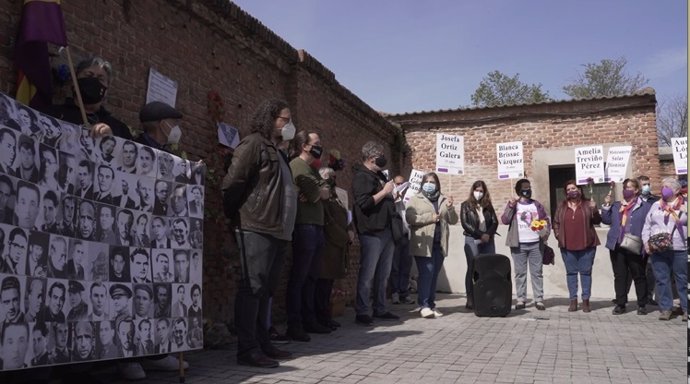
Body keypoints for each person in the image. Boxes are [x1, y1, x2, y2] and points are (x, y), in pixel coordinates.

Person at [221, 98, 297, 368]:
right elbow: (233, 182)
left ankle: (262, 342)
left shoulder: (277, 150)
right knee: (252, 287)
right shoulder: (253, 143)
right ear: (270, 118)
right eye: (284, 120)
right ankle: (247, 349)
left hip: (277, 231)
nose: (289, 125)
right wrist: (238, 216)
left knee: (265, 290)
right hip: (256, 226)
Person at [351, 141, 398, 325]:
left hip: (387, 230)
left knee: (383, 274)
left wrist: (392, 194)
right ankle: (362, 310)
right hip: (371, 231)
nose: (383, 157)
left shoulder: (380, 175)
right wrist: (384, 192)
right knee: (368, 274)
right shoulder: (362, 176)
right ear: (371, 157)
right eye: (380, 154)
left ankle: (380, 307)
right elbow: (364, 203)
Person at [405, 172, 457, 318]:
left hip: (439, 244)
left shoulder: (443, 199)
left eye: (432, 182)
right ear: (422, 183)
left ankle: (432, 304)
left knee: (434, 275)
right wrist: (430, 217)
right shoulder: (416, 199)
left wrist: (451, 207)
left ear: (437, 184)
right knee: (426, 274)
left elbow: (453, 220)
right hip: (423, 244)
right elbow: (410, 217)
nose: (429, 184)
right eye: (427, 181)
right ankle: (424, 305)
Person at [44, 56, 132, 140]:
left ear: (106, 90)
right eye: (88, 76)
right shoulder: (51, 115)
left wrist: (113, 141)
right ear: (74, 83)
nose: (94, 81)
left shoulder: (120, 130)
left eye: (100, 79)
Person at [601, 178, 653, 315]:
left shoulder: (645, 206)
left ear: (636, 190)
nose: (626, 190)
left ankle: (642, 304)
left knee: (639, 275)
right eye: (624, 187)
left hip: (634, 244)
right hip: (617, 245)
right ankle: (620, 303)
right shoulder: (617, 205)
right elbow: (606, 220)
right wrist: (606, 205)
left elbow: (650, 225)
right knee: (620, 275)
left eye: (629, 187)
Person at [500, 178, 551, 310]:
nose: (527, 190)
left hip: (536, 244)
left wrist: (546, 232)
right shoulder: (514, 204)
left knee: (537, 273)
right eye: (524, 187)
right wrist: (510, 206)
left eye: (529, 187)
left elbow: (546, 220)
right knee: (520, 273)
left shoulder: (536, 205)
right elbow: (505, 220)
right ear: (518, 190)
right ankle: (521, 299)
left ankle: (539, 299)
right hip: (519, 244)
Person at [641, 177, 687, 321]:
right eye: (663, 186)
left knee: (682, 279)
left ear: (677, 190)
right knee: (662, 279)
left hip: (680, 247)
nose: (664, 189)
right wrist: (646, 242)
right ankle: (666, 308)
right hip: (658, 248)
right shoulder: (656, 205)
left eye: (667, 186)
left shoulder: (685, 205)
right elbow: (647, 225)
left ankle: (686, 308)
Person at [552, 181, 601, 313]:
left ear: (579, 189)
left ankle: (585, 301)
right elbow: (556, 222)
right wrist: (558, 235)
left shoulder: (587, 204)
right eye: (568, 189)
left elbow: (597, 221)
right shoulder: (561, 206)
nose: (571, 191)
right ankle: (573, 300)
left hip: (587, 245)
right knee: (571, 273)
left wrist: (594, 209)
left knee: (586, 273)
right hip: (567, 246)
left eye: (573, 188)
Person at [315, 167, 353, 329]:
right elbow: (327, 219)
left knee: (329, 282)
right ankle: (320, 316)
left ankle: (326, 316)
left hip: (339, 243)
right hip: (328, 242)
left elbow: (348, 215)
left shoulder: (340, 194)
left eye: (332, 176)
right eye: (326, 176)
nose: (330, 179)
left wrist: (350, 231)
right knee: (321, 283)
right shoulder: (322, 194)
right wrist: (343, 236)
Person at [460, 180, 498, 310]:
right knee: (472, 268)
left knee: (488, 268)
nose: (479, 193)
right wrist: (479, 234)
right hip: (472, 239)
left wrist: (487, 234)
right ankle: (470, 298)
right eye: (477, 190)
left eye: (481, 191)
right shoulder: (466, 205)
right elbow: (466, 224)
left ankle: (486, 297)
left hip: (488, 240)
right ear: (472, 190)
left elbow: (494, 222)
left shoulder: (488, 206)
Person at [389, 175, 414, 305]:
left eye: (402, 183)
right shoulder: (391, 196)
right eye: (397, 183)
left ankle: (404, 292)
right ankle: (394, 293)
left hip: (407, 235)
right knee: (395, 266)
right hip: (395, 236)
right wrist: (395, 199)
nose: (400, 186)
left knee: (406, 266)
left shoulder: (410, 196)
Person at [638, 175, 660, 306]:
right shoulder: (634, 200)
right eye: (643, 184)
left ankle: (648, 295)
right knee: (637, 269)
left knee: (651, 269)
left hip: (652, 239)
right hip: (637, 239)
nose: (646, 186)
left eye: (648, 183)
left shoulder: (656, 200)